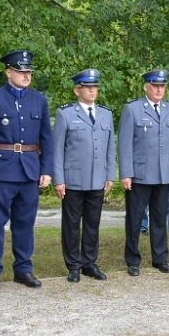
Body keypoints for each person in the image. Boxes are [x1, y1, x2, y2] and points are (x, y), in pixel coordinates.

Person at [0, 50, 53, 292]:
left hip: (29, 170)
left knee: (25, 224)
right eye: (21, 71)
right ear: (8, 72)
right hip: (0, 172)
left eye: (28, 71)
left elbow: (46, 138)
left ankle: (23, 269)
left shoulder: (38, 100)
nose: (26, 75)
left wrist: (46, 169)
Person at [118, 69, 169, 276]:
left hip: (163, 175)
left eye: (162, 86)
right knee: (135, 219)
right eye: (155, 85)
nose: (159, 89)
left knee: (159, 218)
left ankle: (160, 258)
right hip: (139, 175)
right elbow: (125, 144)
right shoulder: (133, 109)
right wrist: (126, 173)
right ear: (146, 86)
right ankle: (133, 260)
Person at [52, 69, 115, 283]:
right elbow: (57, 149)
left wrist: (110, 175)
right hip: (73, 181)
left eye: (94, 87)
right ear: (77, 90)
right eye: (87, 87)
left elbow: (109, 149)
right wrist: (58, 179)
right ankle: (73, 265)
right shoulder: (66, 114)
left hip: (97, 179)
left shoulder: (105, 114)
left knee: (92, 223)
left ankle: (89, 262)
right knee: (71, 225)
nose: (92, 90)